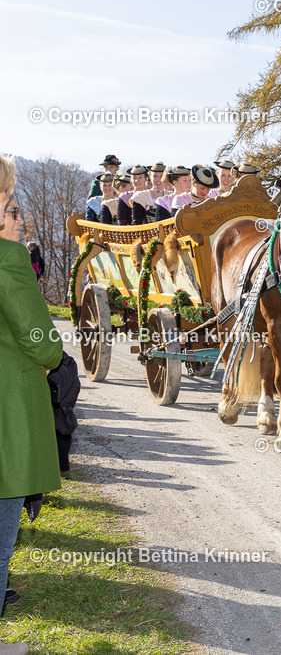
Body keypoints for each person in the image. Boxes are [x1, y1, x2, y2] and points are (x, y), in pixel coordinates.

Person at [0, 155, 64, 646]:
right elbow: (41, 338)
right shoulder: (9, 262)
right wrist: (50, 353)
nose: (22, 219)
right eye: (13, 208)